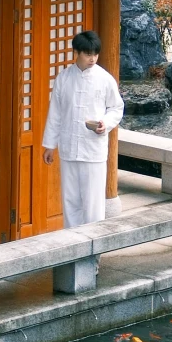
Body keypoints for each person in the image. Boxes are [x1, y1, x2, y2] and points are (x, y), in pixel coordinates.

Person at [42, 30, 125, 228]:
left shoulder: (105, 79)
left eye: (95, 54)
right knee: (71, 201)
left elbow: (116, 107)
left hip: (93, 149)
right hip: (69, 147)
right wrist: (49, 145)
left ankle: (92, 253)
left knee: (93, 203)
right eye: (88, 54)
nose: (92, 58)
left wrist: (105, 123)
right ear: (77, 52)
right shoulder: (63, 78)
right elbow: (55, 113)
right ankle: (72, 247)